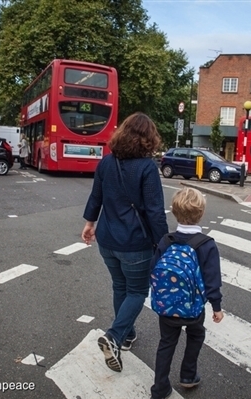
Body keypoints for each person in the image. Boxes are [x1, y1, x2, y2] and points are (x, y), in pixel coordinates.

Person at [82, 112, 168, 373]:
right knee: (138, 291)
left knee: (120, 286)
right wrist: (163, 243)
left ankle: (128, 335)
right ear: (148, 139)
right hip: (135, 242)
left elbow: (96, 196)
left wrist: (89, 224)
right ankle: (116, 336)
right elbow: (154, 211)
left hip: (106, 239)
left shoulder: (106, 162)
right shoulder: (146, 168)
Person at [150, 187, 224, 399]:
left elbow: (153, 269)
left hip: (167, 308)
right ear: (201, 213)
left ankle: (160, 388)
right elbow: (212, 280)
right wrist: (216, 307)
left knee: (166, 343)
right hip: (193, 309)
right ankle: (188, 376)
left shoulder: (166, 240)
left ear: (174, 212)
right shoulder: (206, 245)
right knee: (196, 334)